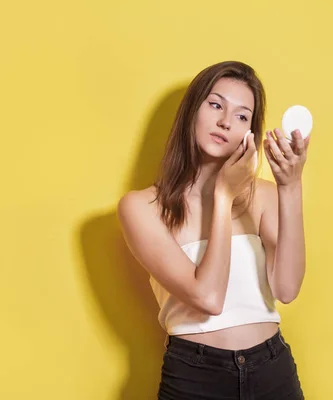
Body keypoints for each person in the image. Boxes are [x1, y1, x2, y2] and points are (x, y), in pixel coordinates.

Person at [117, 60, 310, 399]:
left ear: (250, 131)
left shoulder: (263, 195)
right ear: (193, 109)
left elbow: (287, 288)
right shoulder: (141, 207)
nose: (224, 121)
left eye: (241, 116)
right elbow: (208, 297)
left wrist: (290, 187)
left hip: (272, 370)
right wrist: (223, 195)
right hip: (195, 378)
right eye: (216, 104)